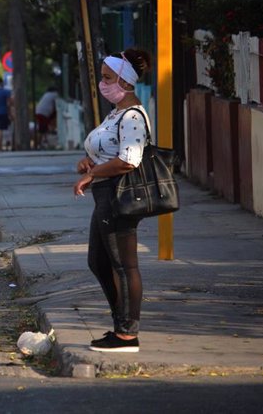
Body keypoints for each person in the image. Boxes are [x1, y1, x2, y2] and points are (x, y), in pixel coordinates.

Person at [73, 48, 152, 353]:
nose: (103, 84)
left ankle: (127, 334)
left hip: (119, 194)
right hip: (105, 194)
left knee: (124, 264)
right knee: (98, 261)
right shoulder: (116, 113)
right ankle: (120, 324)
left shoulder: (132, 115)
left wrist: (91, 175)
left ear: (125, 80)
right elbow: (109, 151)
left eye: (108, 78)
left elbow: (128, 160)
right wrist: (89, 162)